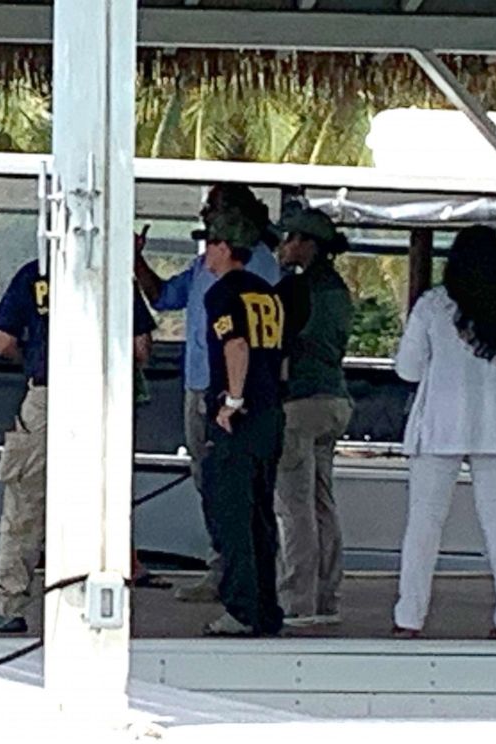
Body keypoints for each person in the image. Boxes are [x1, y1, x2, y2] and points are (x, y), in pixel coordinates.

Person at [0, 258, 157, 632]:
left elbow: (3, 342)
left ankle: (9, 605)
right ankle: (93, 604)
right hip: (103, 398)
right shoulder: (113, 272)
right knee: (97, 504)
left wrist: (37, 359)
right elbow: (140, 348)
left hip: (47, 395)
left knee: (24, 501)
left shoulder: (34, 274)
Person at [134, 184, 281, 602]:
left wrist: (235, 397)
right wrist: (136, 260)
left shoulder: (261, 267)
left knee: (240, 488)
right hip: (197, 383)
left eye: (213, 213)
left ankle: (242, 578)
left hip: (235, 394)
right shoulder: (204, 267)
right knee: (210, 482)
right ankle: (223, 567)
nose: (205, 216)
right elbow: (163, 297)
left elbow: (244, 338)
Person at [392, 225, 496, 640]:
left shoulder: (434, 306)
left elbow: (409, 370)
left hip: (439, 426)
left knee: (424, 523)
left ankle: (410, 618)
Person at [199, 209, 285, 637]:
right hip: (271, 415)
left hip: (240, 417)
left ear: (224, 248)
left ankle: (240, 608)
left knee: (232, 514)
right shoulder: (268, 294)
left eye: (210, 244)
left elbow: (235, 345)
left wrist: (231, 400)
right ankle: (267, 608)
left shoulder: (222, 295)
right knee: (261, 516)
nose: (205, 253)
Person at [273, 208, 354, 627]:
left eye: (290, 237)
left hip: (300, 400)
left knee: (293, 505)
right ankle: (328, 594)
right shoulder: (337, 289)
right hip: (335, 397)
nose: (284, 245)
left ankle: (296, 599)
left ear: (307, 243)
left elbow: (279, 345)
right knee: (323, 501)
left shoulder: (294, 288)